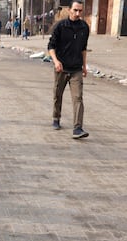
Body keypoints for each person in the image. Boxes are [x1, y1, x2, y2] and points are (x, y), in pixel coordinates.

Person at [48, 0, 90, 139]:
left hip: (76, 68)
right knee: (57, 95)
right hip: (61, 68)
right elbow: (51, 46)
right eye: (75, 10)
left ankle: (77, 128)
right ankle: (56, 118)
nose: (78, 13)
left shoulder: (84, 27)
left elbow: (83, 48)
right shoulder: (60, 26)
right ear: (69, 10)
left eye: (80, 11)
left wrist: (84, 66)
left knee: (78, 97)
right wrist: (56, 61)